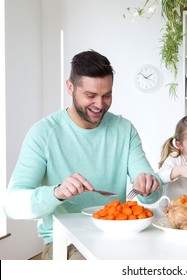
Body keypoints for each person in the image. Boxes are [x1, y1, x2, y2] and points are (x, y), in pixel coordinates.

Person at [2, 50, 163, 259]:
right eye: (90, 95)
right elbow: (12, 205)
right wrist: (57, 192)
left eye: (107, 96)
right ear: (70, 88)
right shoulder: (44, 133)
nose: (99, 104)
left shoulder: (124, 129)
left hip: (118, 235)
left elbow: (153, 193)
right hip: (65, 242)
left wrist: (149, 185)